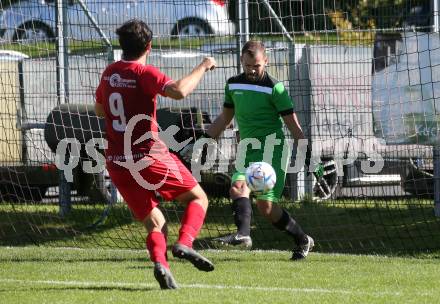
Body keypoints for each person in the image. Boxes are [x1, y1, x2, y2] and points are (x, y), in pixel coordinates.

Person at [94, 19, 217, 289]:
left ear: (121, 45)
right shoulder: (144, 73)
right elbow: (180, 91)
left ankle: (161, 264)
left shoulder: (109, 73)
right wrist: (204, 65)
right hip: (148, 156)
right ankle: (184, 244)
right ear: (149, 46)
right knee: (198, 197)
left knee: (156, 221)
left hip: (116, 161)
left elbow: (101, 111)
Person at [187, 40, 314, 260]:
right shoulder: (233, 85)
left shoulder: (276, 88)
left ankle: (302, 239)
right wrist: (205, 140)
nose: (252, 70)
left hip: (272, 151)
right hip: (248, 150)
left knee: (266, 208)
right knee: (237, 187)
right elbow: (225, 118)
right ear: (241, 62)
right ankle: (243, 235)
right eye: (247, 66)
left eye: (256, 66)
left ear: (266, 61)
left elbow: (293, 125)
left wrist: (308, 155)